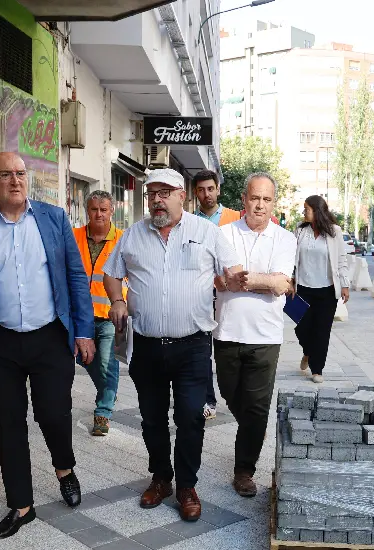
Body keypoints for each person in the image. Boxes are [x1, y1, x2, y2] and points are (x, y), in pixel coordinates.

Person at [0, 152, 95, 539]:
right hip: (0, 344)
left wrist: (83, 331)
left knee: (53, 415)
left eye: (20, 173)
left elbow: (76, 277)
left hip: (49, 337)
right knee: (9, 424)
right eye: (5, 175)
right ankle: (21, 505)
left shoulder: (53, 219)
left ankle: (64, 467)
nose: (15, 180)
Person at [102, 168, 246, 522]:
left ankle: (186, 486)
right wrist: (117, 300)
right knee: (151, 419)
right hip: (147, 346)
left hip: (192, 346)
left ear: (183, 195)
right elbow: (111, 273)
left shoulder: (207, 233)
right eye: (152, 193)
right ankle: (161, 478)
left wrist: (240, 279)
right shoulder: (134, 234)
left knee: (190, 418)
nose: (157, 199)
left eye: (165, 192)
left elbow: (233, 271)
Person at [212, 172, 296, 497]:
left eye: (266, 199)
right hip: (228, 332)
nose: (260, 205)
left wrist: (241, 280)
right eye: (254, 198)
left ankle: (244, 470)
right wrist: (264, 281)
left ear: (273, 203)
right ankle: (250, 430)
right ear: (244, 200)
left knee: (258, 407)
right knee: (231, 395)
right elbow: (221, 276)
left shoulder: (285, 239)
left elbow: (280, 284)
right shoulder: (223, 234)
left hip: (266, 337)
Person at [73, 190, 126, 436]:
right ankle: (108, 393)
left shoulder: (123, 240)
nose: (99, 214)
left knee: (107, 362)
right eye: (94, 209)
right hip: (79, 316)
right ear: (87, 211)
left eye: (104, 210)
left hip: (108, 316)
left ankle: (103, 411)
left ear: (111, 211)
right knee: (85, 359)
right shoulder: (74, 237)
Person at [192, 169, 239, 420]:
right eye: (201, 189)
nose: (206, 194)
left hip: (229, 296)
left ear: (218, 189)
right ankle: (207, 399)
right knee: (202, 350)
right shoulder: (189, 222)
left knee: (226, 348)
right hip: (200, 296)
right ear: (195, 192)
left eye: (210, 188)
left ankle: (233, 397)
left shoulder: (234, 218)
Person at [292, 195, 350, 383]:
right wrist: (290, 279)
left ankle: (317, 370)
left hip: (327, 290)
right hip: (302, 288)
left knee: (321, 331)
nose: (303, 212)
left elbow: (341, 259)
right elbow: (292, 258)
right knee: (301, 329)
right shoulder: (300, 231)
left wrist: (345, 285)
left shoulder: (335, 232)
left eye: (306, 209)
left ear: (316, 211)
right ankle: (307, 352)